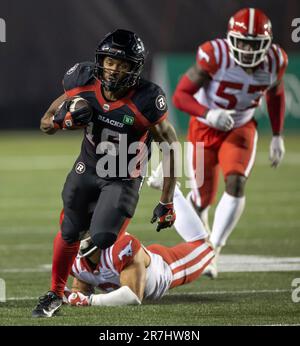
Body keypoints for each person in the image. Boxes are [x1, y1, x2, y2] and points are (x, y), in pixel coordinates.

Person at [32, 29, 178, 317]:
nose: (113, 69)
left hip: (123, 175)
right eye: (110, 62)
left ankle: (126, 262)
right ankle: (55, 294)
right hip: (88, 166)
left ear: (134, 69)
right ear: (100, 61)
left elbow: (170, 145)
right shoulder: (82, 82)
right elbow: (46, 123)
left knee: (101, 237)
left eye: (122, 64)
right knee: (70, 230)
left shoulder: (147, 99)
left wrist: (167, 200)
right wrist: (65, 120)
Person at [172, 8, 288, 278]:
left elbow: (276, 94)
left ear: (266, 45)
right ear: (231, 39)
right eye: (243, 43)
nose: (247, 51)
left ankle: (214, 249)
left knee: (236, 183)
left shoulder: (275, 61)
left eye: (254, 44)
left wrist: (278, 135)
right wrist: (208, 113)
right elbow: (180, 95)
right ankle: (199, 246)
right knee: (202, 199)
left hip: (241, 126)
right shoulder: (215, 56)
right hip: (204, 127)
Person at [65, 181, 214, 307]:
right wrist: (71, 296)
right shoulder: (74, 259)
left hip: (164, 268)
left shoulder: (121, 248)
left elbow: (133, 296)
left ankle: (173, 191)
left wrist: (91, 301)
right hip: (141, 261)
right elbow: (81, 290)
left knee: (205, 246)